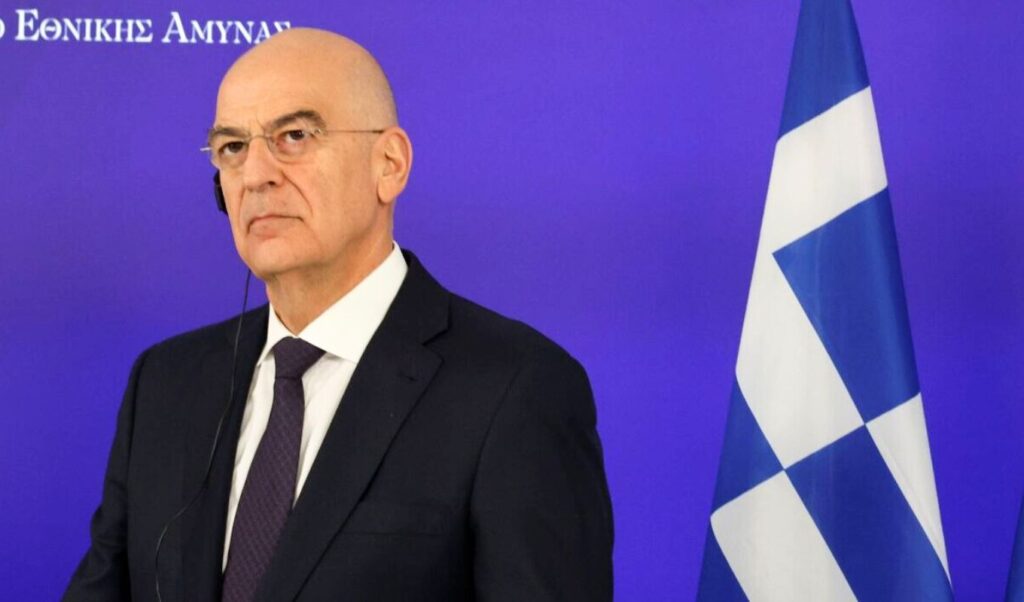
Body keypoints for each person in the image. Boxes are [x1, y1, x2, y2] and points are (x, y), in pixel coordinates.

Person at [63, 28, 613, 602]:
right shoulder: (165, 382)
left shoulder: (516, 388)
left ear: (390, 164)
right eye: (232, 148)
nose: (255, 175)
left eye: (294, 136)